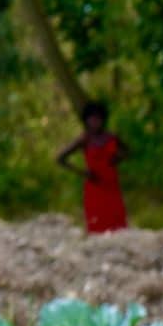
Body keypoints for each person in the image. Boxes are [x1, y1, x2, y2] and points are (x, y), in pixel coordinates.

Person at [57, 100, 127, 234]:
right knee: (97, 222)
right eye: (92, 118)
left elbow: (126, 151)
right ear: (86, 120)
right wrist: (82, 172)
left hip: (111, 183)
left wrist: (117, 159)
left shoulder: (111, 137)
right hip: (94, 184)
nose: (95, 122)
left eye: (98, 118)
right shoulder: (84, 139)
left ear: (103, 119)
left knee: (117, 222)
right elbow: (60, 158)